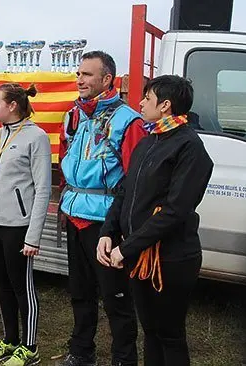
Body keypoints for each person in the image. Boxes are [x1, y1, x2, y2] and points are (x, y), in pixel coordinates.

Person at [98, 75, 213, 366]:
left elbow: (175, 211)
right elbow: (124, 191)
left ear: (165, 105)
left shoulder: (190, 148)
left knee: (169, 334)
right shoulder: (149, 141)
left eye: (146, 99)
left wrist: (127, 248)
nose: (139, 103)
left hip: (172, 258)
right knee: (150, 331)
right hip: (141, 255)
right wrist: (108, 232)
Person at [57, 51, 146, 366]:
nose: (80, 80)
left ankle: (124, 358)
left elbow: (135, 180)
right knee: (79, 291)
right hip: (75, 213)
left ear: (107, 79)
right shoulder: (74, 115)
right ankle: (81, 351)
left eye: (88, 74)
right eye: (78, 74)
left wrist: (120, 225)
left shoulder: (129, 120)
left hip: (106, 221)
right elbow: (66, 156)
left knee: (116, 295)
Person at [0, 83, 51, 366]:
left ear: (13, 106)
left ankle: (30, 347)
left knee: (22, 287)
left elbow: (43, 189)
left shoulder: (37, 137)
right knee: (2, 284)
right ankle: (10, 340)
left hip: (19, 227)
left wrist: (33, 236)